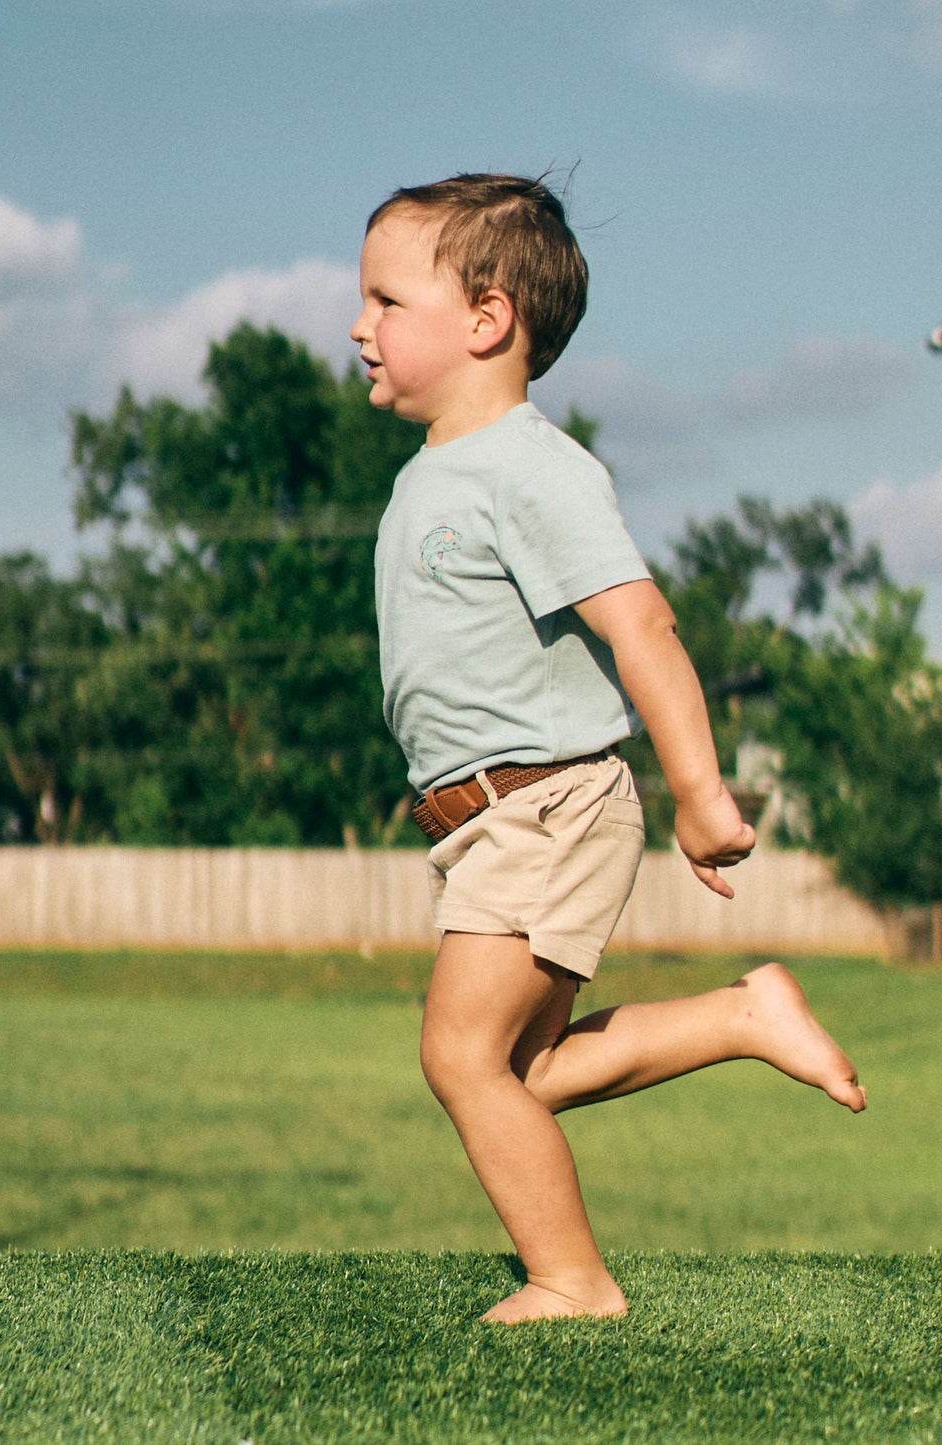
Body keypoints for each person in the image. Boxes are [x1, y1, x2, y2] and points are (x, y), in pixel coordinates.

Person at [355, 173, 867, 1325]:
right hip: (497, 814)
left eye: (386, 299)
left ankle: (572, 1280)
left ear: (487, 320)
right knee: (519, 1071)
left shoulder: (532, 467)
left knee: (459, 1055)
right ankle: (742, 1015)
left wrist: (699, 790)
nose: (358, 325)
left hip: (546, 803)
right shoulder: (440, 471)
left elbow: (640, 623)